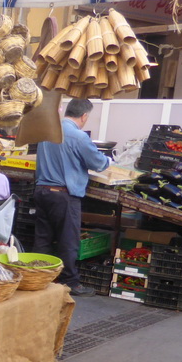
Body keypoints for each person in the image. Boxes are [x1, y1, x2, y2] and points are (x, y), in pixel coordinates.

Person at [33, 98, 111, 297]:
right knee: (68, 240)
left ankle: (38, 276)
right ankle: (70, 282)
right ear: (84, 116)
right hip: (63, 195)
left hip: (42, 191)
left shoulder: (47, 131)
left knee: (43, 238)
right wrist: (109, 159)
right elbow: (98, 163)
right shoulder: (78, 136)